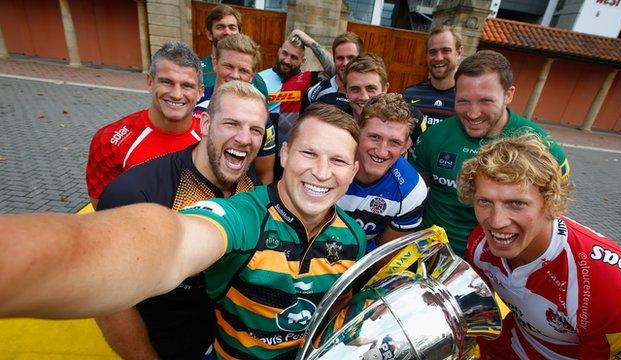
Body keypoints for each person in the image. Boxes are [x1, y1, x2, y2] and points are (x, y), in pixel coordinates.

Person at [0, 103, 366, 359]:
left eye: (337, 160)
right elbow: (173, 240)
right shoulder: (245, 215)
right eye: (309, 154)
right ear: (284, 154)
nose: (321, 172)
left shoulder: (354, 237)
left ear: (353, 171)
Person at [94, 81, 266, 359]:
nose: (245, 138)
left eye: (255, 129)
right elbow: (107, 301)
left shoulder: (249, 183)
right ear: (206, 124)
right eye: (232, 124)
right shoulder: (138, 192)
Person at [458, 133, 621, 359]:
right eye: (485, 201)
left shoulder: (614, 290)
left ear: (552, 203)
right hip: (508, 345)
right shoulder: (480, 244)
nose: (496, 222)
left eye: (517, 203)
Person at [410, 50, 570, 257]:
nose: (473, 113)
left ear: (508, 95)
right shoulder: (434, 137)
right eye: (463, 101)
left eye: (486, 101)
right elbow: (414, 196)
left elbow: (553, 210)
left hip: (498, 262)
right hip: (431, 252)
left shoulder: (542, 148)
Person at [86, 41, 203, 208]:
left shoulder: (210, 138)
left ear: (200, 92)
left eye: (187, 86)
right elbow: (105, 210)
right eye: (167, 82)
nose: (177, 94)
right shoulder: (109, 140)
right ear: (150, 82)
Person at [337, 93, 427, 253]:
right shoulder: (329, 163)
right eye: (374, 137)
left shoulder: (411, 189)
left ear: (406, 145)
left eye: (394, 142)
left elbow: (383, 256)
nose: (381, 151)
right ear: (357, 132)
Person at [196, 33, 276, 184]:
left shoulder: (262, 119)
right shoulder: (193, 103)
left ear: (252, 76)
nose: (235, 75)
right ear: (215, 63)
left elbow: (265, 173)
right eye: (228, 66)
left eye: (244, 71)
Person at [258, 31, 333, 155]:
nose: (287, 61)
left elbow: (338, 72)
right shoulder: (259, 78)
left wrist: (310, 42)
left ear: (303, 61)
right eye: (285, 54)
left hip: (292, 152)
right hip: (263, 151)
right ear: (278, 51)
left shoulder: (308, 79)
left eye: (294, 57)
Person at [344, 53, 425, 145]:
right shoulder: (337, 122)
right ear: (345, 91)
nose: (364, 97)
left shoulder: (412, 119)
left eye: (371, 89)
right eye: (355, 89)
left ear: (385, 89)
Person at [199, 4, 268, 103]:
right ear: (210, 34)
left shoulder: (257, 80)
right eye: (220, 27)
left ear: (239, 33)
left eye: (232, 28)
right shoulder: (196, 71)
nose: (227, 32)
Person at [403, 25, 461, 128]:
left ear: (458, 53)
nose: (439, 58)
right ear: (426, 56)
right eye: (433, 52)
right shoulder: (409, 95)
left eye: (446, 50)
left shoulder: (468, 99)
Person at [304, 31, 363, 113]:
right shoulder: (315, 92)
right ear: (334, 60)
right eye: (340, 58)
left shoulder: (368, 96)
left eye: (351, 57)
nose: (345, 63)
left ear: (360, 59)